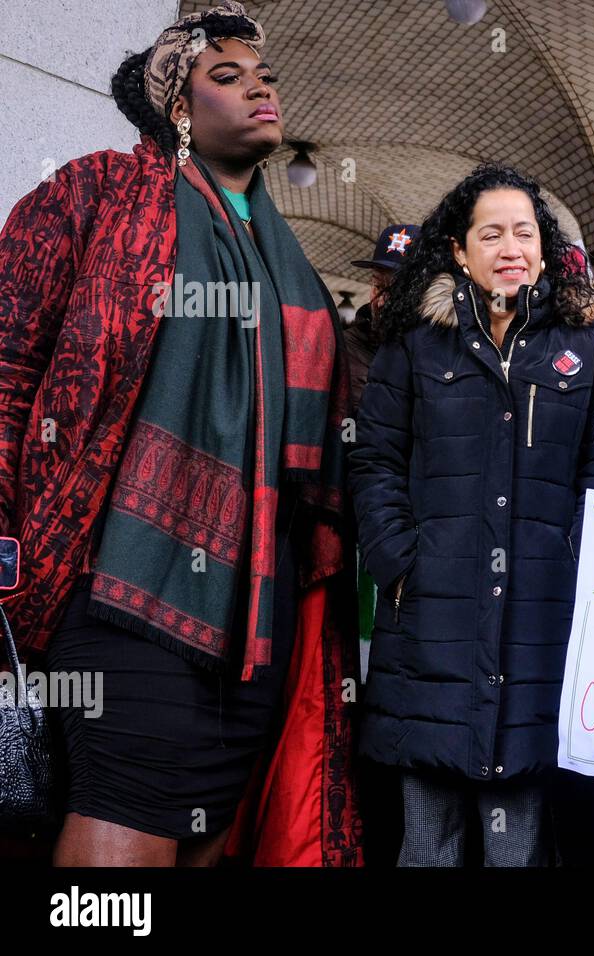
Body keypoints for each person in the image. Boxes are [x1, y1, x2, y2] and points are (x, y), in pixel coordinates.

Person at [0, 1, 361, 866]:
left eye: (264, 76)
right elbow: (9, 367)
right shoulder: (96, 192)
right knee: (125, 835)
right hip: (125, 589)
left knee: (209, 833)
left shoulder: (290, 260)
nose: (259, 89)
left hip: (256, 617)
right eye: (226, 77)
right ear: (177, 107)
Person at [349, 162, 594, 867]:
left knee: (518, 846)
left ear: (543, 245)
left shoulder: (587, 343)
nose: (511, 248)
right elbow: (374, 459)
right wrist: (399, 560)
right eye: (492, 233)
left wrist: (590, 532)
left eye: (524, 233)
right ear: (459, 250)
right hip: (431, 618)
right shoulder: (415, 343)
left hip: (541, 619)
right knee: (428, 844)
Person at [344, 223, 422, 417]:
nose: (380, 302)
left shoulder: (436, 353)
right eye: (378, 286)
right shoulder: (345, 347)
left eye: (395, 292)